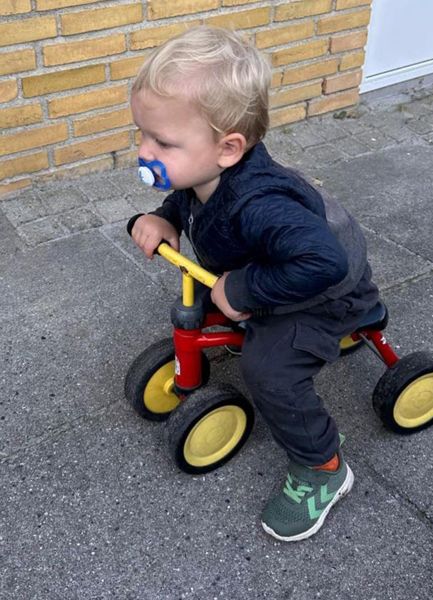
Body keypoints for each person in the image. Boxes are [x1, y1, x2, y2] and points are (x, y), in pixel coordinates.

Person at [128, 26, 379, 542]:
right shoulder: (206, 172)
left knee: (268, 371)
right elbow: (189, 195)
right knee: (204, 301)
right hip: (276, 268)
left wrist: (244, 291)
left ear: (228, 148)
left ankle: (324, 468)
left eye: (163, 142)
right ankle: (233, 318)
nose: (144, 152)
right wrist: (165, 217)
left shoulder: (262, 204)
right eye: (143, 134)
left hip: (323, 294)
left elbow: (325, 263)